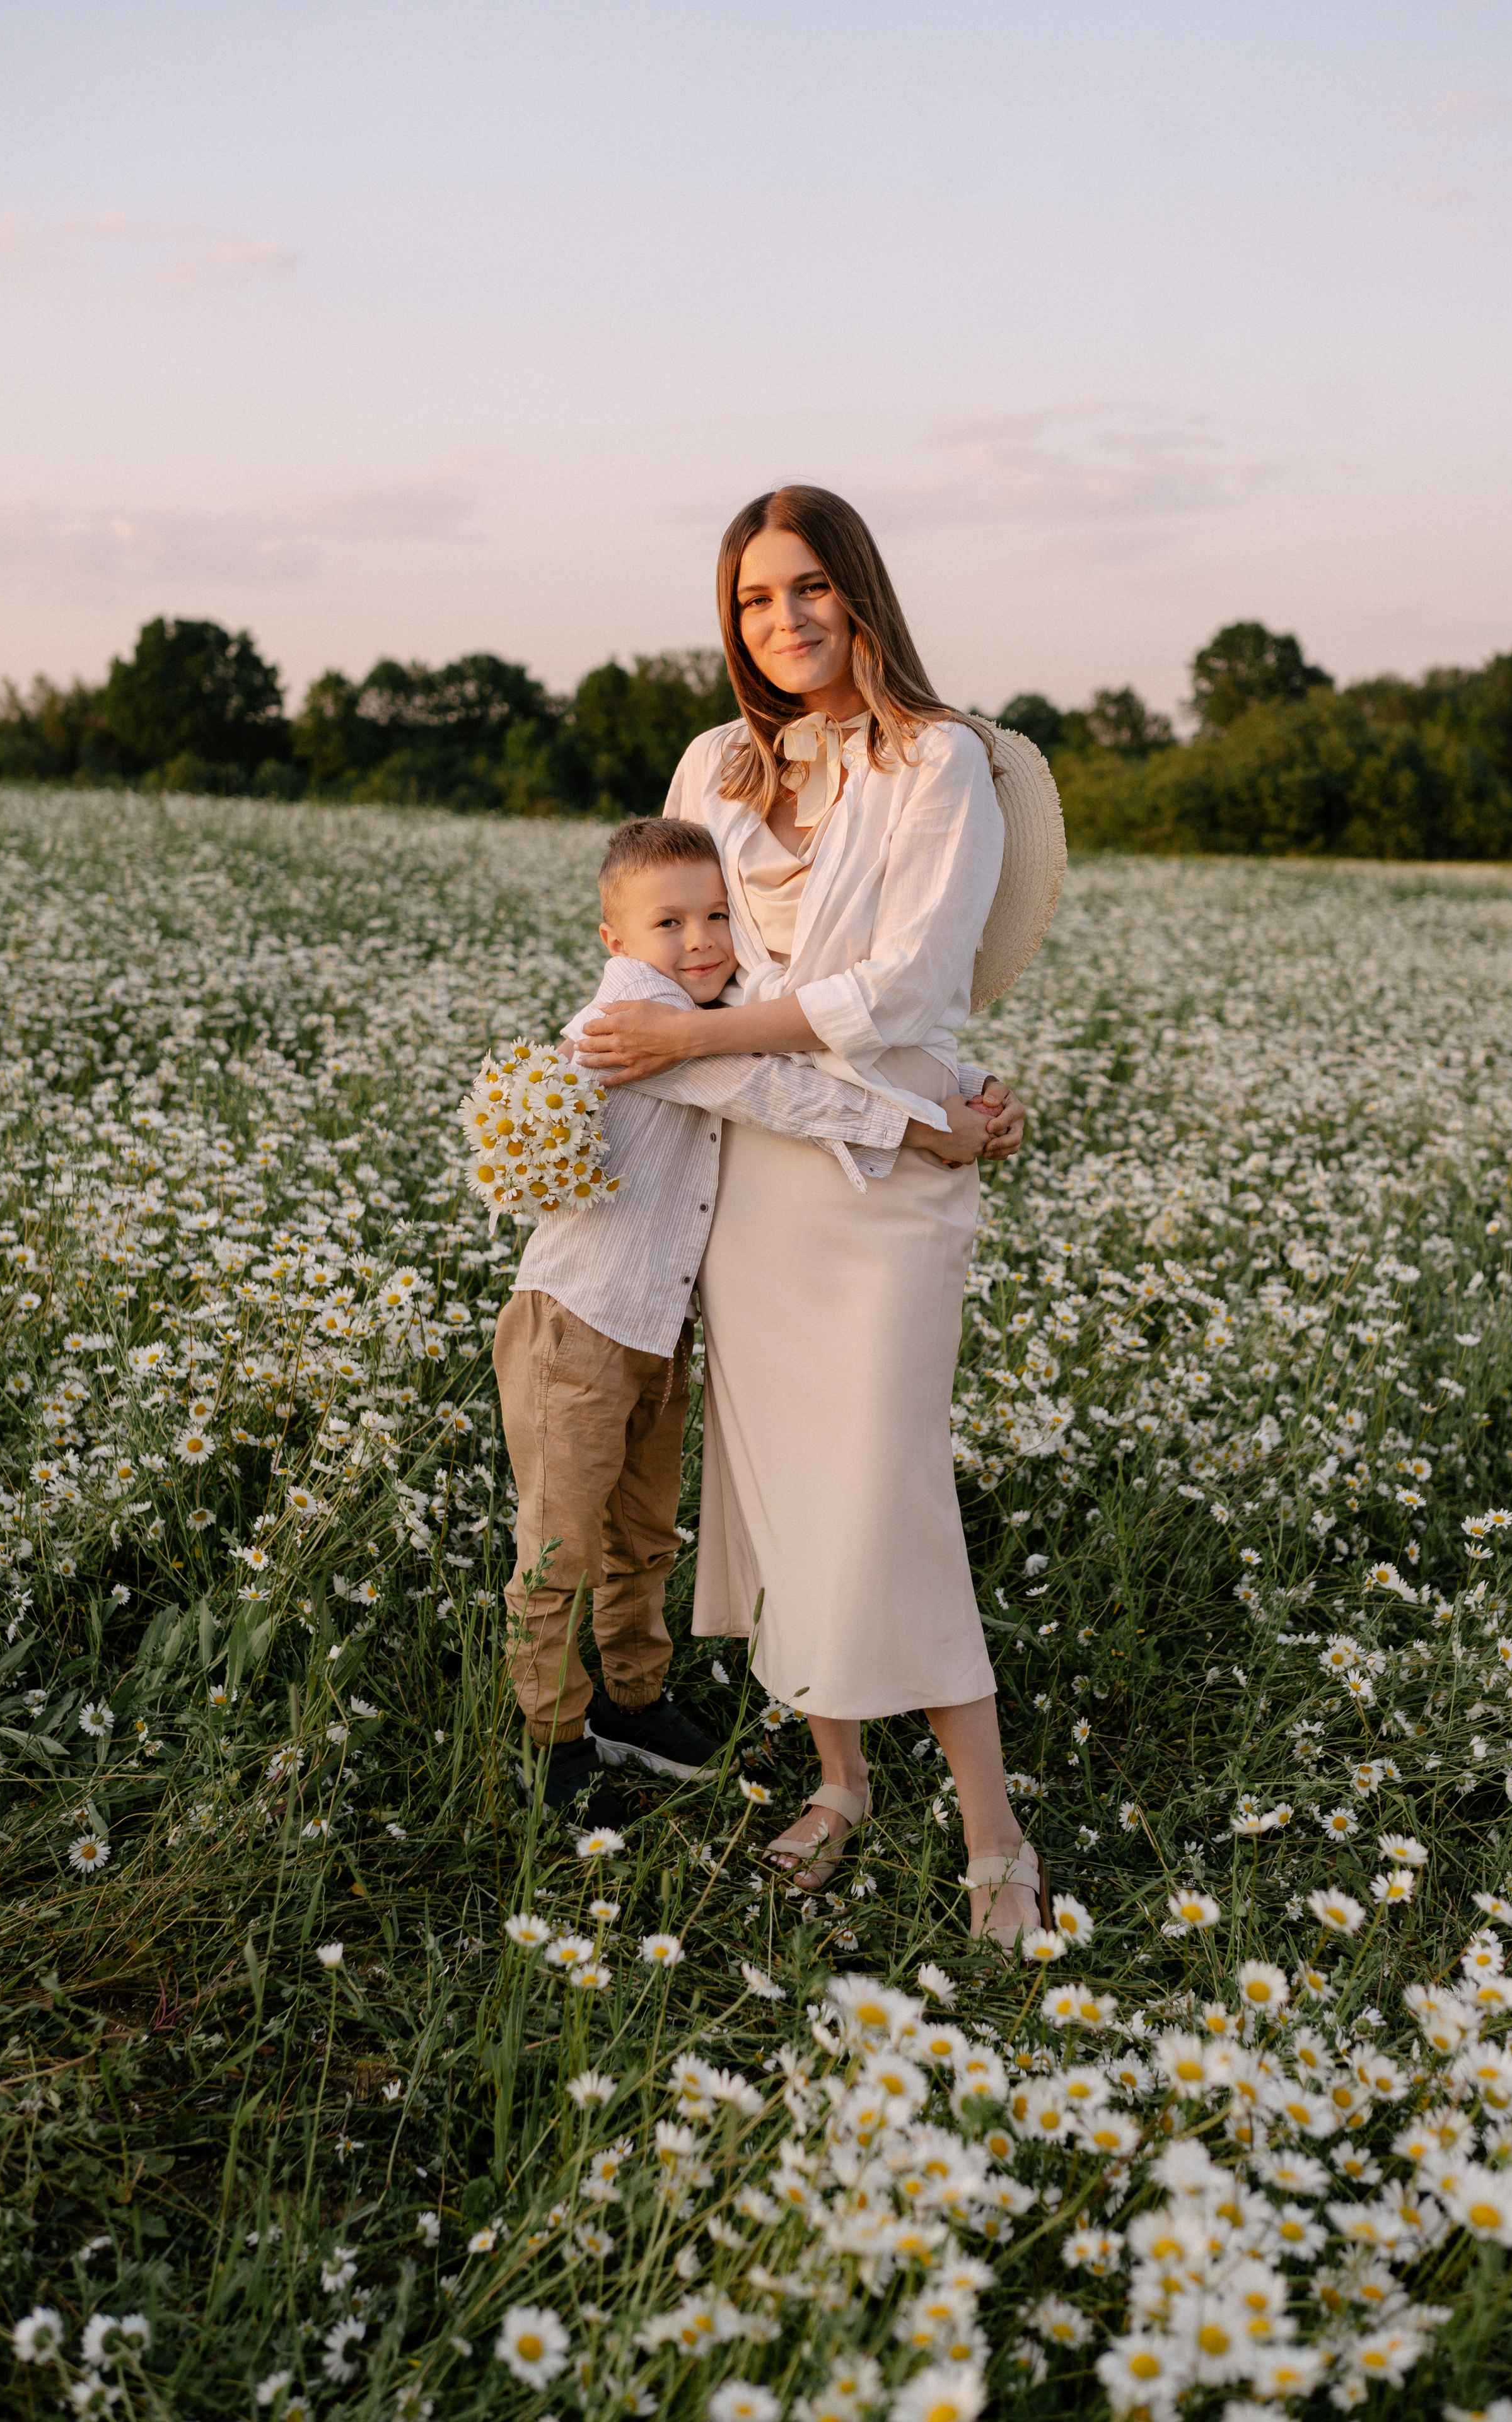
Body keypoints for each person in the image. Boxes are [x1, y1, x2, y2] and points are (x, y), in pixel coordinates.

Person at [573, 485, 1057, 1947]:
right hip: (753, 1176)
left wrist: (720, 1043)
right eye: (751, 598)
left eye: (805, 587)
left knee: (885, 1485)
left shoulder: (940, 760)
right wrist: (690, 1040)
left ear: (858, 592)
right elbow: (671, 972)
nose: (780, 619)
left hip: (889, 1187)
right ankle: (838, 1781)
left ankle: (994, 1830)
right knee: (779, 1485)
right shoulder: (714, 762)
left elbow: (904, 986)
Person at [494, 813, 999, 1831]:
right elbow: (772, 1089)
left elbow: (821, 1042)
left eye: (717, 916)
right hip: (576, 1324)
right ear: (615, 941)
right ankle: (549, 1736)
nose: (701, 941)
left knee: (643, 1534)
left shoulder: (708, 1007)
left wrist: (969, 1087)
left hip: (654, 1326)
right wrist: (924, 1129)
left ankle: (634, 1702)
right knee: (559, 1546)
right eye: (669, 922)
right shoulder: (633, 1022)